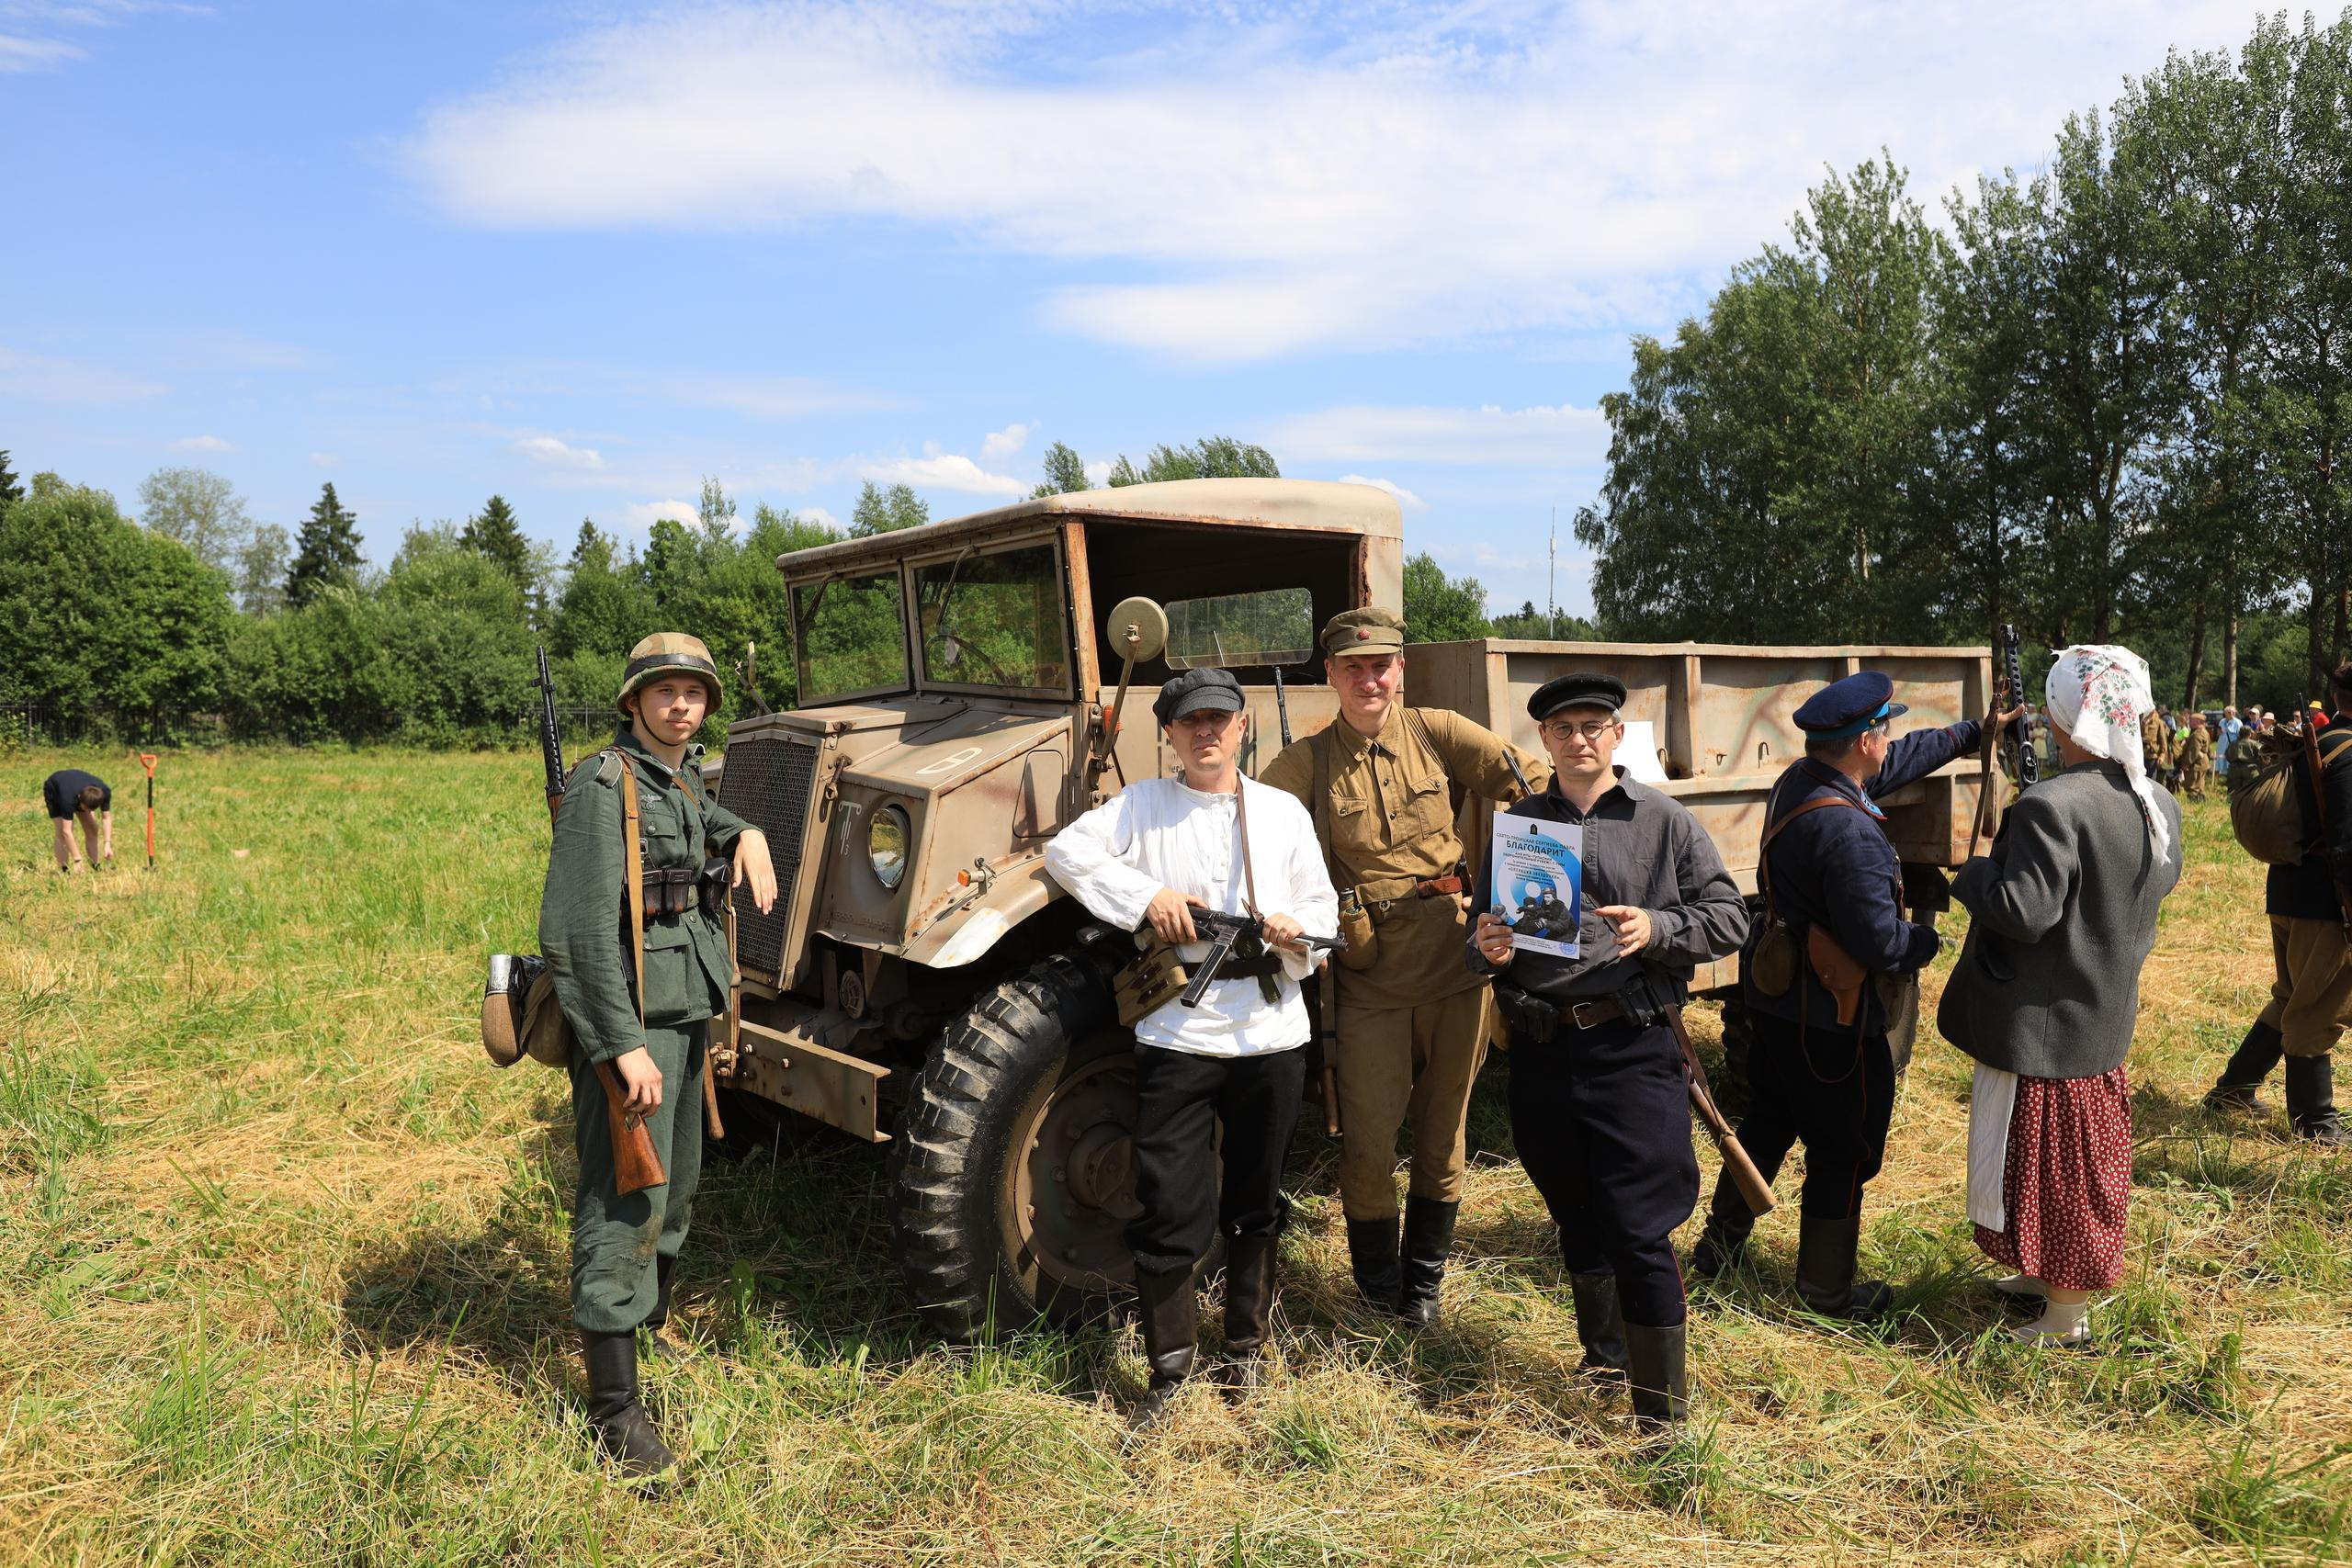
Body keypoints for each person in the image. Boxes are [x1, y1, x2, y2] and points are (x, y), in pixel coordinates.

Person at [1045, 668, 1338, 1431]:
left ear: (1242, 728)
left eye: (1220, 719)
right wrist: (1145, 897)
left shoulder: (1281, 812)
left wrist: (1291, 926)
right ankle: (1171, 1371)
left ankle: (1244, 1350)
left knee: (1256, 1198)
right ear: (1170, 734)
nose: (1207, 732)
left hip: (1271, 1030)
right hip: (1178, 1030)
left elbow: (1321, 905)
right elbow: (1067, 853)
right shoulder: (1143, 804)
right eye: (1190, 721)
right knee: (1171, 1201)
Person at [1467, 673, 1746, 1432]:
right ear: (1545, 741)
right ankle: (1603, 1357)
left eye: (1594, 724)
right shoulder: (1521, 827)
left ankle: (1662, 1422)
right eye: (1564, 727)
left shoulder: (1664, 822)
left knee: (1637, 1224)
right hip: (1541, 1050)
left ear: (1618, 735)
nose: (1580, 738)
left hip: (1631, 1044)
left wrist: (1658, 929)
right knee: (1575, 1211)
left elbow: (1729, 918)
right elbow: (1480, 933)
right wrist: (1487, 945)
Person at [1259, 608, 1545, 1326]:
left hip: (1457, 965)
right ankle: (1377, 1287)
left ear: (1401, 671)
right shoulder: (1307, 762)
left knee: (1444, 1132)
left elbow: (1529, 782)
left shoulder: (1437, 730)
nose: (1369, 678)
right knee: (1369, 1140)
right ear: (1330, 675)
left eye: (1381, 664)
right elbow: (1252, 829)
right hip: (1372, 978)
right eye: (1353, 667)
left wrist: (1532, 871)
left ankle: (1423, 1287)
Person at [1686, 672, 2005, 1317]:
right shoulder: (1853, 835)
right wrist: (1928, 942)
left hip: (1778, 1005)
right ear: (1863, 740)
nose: (1889, 739)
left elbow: (1897, 761)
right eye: (1883, 729)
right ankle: (1824, 1291)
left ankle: (1719, 1250)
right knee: (1845, 1147)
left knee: (1769, 1121)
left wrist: (1974, 734)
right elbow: (1883, 945)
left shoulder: (1802, 784)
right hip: (1832, 1021)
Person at [540, 633, 778, 1479]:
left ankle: (649, 1330)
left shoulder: (673, 775)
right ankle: (612, 1409)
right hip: (633, 1025)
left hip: (682, 1013)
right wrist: (620, 1045)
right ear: (634, 702)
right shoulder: (607, 784)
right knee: (624, 1198)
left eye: (695, 693)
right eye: (665, 691)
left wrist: (744, 829)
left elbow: (697, 821)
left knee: (674, 1190)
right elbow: (573, 934)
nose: (681, 704)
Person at [1939, 646, 2182, 1346]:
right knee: (2051, 1164)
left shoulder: (2051, 804)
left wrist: (1973, 871)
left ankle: (2066, 1313)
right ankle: (2045, 1276)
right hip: (2102, 1011)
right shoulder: (2155, 799)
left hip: (2044, 1021)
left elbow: (2025, 910)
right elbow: (2154, 886)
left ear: (2065, 714)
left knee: (2059, 1174)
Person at [2204, 662, 2352, 1136]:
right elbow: (2347, 842)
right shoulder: (2348, 754)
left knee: (2292, 996)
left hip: (2291, 888)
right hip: (2328, 901)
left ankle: (2233, 1090)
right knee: (2315, 1007)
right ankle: (2316, 1126)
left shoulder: (2324, 744)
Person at [42, 768, 112, 873]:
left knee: (92, 828)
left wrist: (107, 844)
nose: (88, 812)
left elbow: (106, 818)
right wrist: (77, 859)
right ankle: (64, 870)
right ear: (79, 799)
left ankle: (95, 866)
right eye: (86, 809)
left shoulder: (104, 792)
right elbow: (67, 831)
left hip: (76, 786)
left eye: (92, 810)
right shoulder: (68, 800)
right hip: (54, 789)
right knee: (61, 831)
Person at [2179, 713, 2213, 802]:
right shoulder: (2204, 732)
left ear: (2198, 721)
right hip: (2203, 761)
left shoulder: (2197, 734)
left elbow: (2193, 751)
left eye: (2191, 720)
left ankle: (2194, 804)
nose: (2189, 722)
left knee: (2193, 785)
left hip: (2197, 763)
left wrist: (2186, 764)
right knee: (2200, 784)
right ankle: (2201, 802)